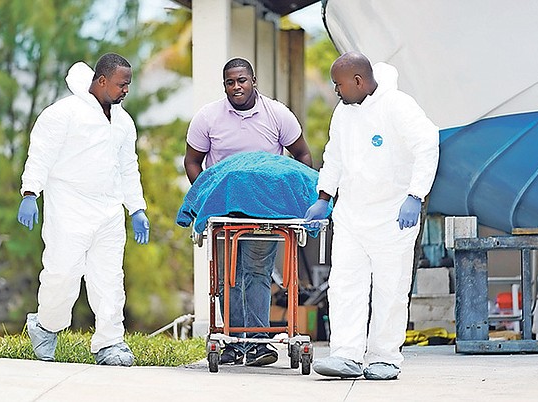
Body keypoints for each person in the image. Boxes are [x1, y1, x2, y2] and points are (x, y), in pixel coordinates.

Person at [304, 51, 439, 380]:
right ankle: (346, 354)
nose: (336, 90)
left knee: (390, 290)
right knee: (343, 286)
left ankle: (384, 357)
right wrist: (324, 198)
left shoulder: (399, 106)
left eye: (339, 84)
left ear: (359, 81)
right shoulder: (344, 112)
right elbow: (333, 156)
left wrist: (415, 196)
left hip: (394, 216)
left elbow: (427, 144)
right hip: (351, 214)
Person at [17, 53, 150, 366]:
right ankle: (45, 327)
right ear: (101, 80)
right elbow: (40, 154)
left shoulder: (123, 122)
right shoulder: (64, 112)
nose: (126, 90)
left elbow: (128, 168)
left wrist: (137, 209)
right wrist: (30, 192)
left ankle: (110, 343)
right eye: (121, 84)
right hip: (68, 204)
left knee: (109, 279)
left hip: (109, 208)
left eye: (128, 85)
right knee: (62, 273)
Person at [184, 57, 313, 366]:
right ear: (224, 85)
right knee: (226, 277)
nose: (236, 86)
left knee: (254, 272)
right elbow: (192, 161)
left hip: (264, 210)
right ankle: (230, 343)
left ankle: (256, 344)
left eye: (242, 80)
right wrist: (207, 196)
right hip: (225, 211)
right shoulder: (208, 117)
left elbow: (302, 154)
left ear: (254, 81)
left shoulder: (278, 114)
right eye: (230, 82)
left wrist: (293, 198)